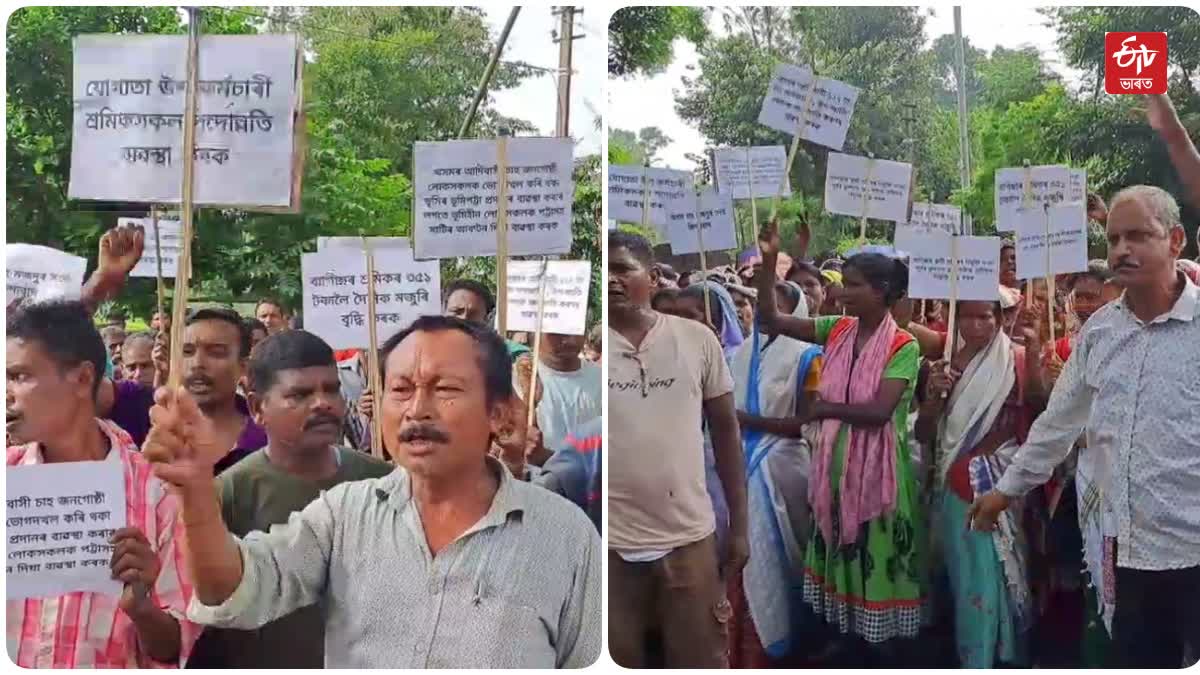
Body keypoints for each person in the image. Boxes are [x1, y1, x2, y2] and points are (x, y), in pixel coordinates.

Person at [144, 315, 601, 668]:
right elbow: (235, 590)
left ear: (500, 414)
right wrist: (197, 492)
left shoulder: (565, 536)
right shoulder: (345, 513)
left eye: (444, 389)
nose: (417, 410)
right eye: (400, 389)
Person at [969, 184, 1200, 668]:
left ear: (1176, 240)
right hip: (1128, 553)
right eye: (1114, 239)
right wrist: (1004, 491)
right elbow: (1056, 426)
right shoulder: (1099, 335)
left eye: (1138, 236)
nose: (1121, 250)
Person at [756, 220, 929, 662]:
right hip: (834, 466)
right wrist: (771, 260)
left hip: (879, 475)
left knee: (875, 554)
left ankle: (881, 649)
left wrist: (825, 410)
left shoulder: (903, 346)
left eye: (854, 286)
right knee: (840, 549)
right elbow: (768, 319)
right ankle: (850, 641)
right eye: (843, 284)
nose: (842, 293)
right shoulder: (836, 329)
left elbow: (878, 413)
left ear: (883, 290)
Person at [184, 330, 393, 668]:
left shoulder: (382, 481)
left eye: (331, 389)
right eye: (300, 394)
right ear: (257, 407)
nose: (322, 403)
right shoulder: (227, 495)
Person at [6, 301, 196, 667]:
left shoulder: (157, 494)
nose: (7, 392)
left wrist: (141, 607)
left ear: (81, 379)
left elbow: (174, 648)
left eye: (19, 376)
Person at [607, 231, 748, 668]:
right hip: (610, 548)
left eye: (622, 269)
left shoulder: (697, 340)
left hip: (689, 542)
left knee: (698, 658)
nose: (611, 280)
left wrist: (739, 528)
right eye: (603, 271)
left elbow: (726, 433)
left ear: (651, 278)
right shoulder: (589, 349)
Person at [914, 298, 1040, 667]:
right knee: (969, 572)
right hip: (953, 481)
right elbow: (923, 432)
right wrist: (935, 396)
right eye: (966, 317)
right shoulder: (943, 367)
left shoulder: (1014, 359)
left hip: (1001, 477)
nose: (975, 326)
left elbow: (1039, 404)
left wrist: (1034, 350)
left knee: (1001, 568)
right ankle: (975, 654)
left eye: (984, 316)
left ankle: (1006, 653)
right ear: (954, 321)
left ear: (999, 319)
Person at [727, 280, 823, 667]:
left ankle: (796, 638)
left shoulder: (808, 356)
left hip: (785, 465)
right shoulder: (741, 354)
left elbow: (808, 420)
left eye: (776, 307)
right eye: (761, 306)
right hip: (740, 463)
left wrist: (749, 421)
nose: (766, 314)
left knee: (789, 560)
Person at [156, 308, 267, 474]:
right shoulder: (152, 430)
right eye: (187, 352)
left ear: (243, 366)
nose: (197, 363)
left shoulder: (268, 441)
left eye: (216, 353)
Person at [531, 332, 602, 453]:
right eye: (556, 332)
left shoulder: (604, 379)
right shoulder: (517, 379)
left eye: (575, 330)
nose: (570, 340)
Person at [443, 278, 531, 357]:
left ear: (486, 319)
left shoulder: (514, 357)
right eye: (456, 311)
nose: (464, 318)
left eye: (473, 314)